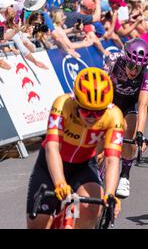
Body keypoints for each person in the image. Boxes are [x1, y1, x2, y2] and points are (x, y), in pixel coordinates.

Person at [26, 68, 123, 229]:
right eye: (85, 110)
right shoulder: (62, 103)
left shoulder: (115, 115)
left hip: (83, 165)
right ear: (76, 101)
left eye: (98, 112)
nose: (92, 117)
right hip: (50, 166)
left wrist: (110, 194)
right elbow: (52, 147)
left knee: (91, 209)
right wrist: (59, 182)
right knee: (38, 223)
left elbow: (112, 159)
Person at [104, 39, 148, 199]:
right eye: (131, 66)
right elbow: (101, 85)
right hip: (111, 100)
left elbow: (143, 105)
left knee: (130, 133)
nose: (134, 70)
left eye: (138, 68)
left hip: (130, 104)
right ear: (126, 59)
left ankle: (124, 176)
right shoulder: (114, 60)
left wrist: (140, 134)